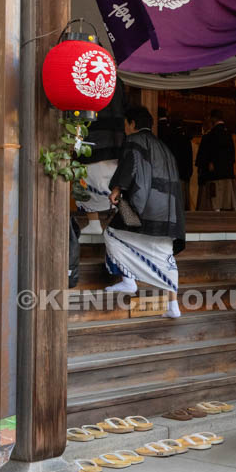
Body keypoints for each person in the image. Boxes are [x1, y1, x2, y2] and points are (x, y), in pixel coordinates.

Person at [104, 106, 186, 319]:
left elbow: (131, 166)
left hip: (144, 211)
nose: (125, 129)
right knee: (164, 256)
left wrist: (117, 188)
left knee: (112, 234)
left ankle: (129, 281)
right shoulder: (164, 147)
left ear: (131, 124)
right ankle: (173, 306)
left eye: (125, 125)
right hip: (170, 214)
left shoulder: (135, 141)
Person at [77, 81, 126, 234]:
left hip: (93, 138)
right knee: (112, 184)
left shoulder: (84, 73)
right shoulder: (117, 81)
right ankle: (116, 221)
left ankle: (94, 222)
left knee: (89, 182)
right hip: (114, 139)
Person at [196, 109, 236, 212]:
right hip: (228, 171)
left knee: (216, 199)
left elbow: (207, 153)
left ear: (213, 119)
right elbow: (232, 153)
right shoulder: (228, 134)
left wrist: (209, 164)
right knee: (231, 197)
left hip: (215, 173)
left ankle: (217, 212)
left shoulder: (210, 135)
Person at [157, 108, 194, 211]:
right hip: (184, 171)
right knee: (183, 199)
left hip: (173, 170)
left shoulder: (169, 134)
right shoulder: (185, 135)